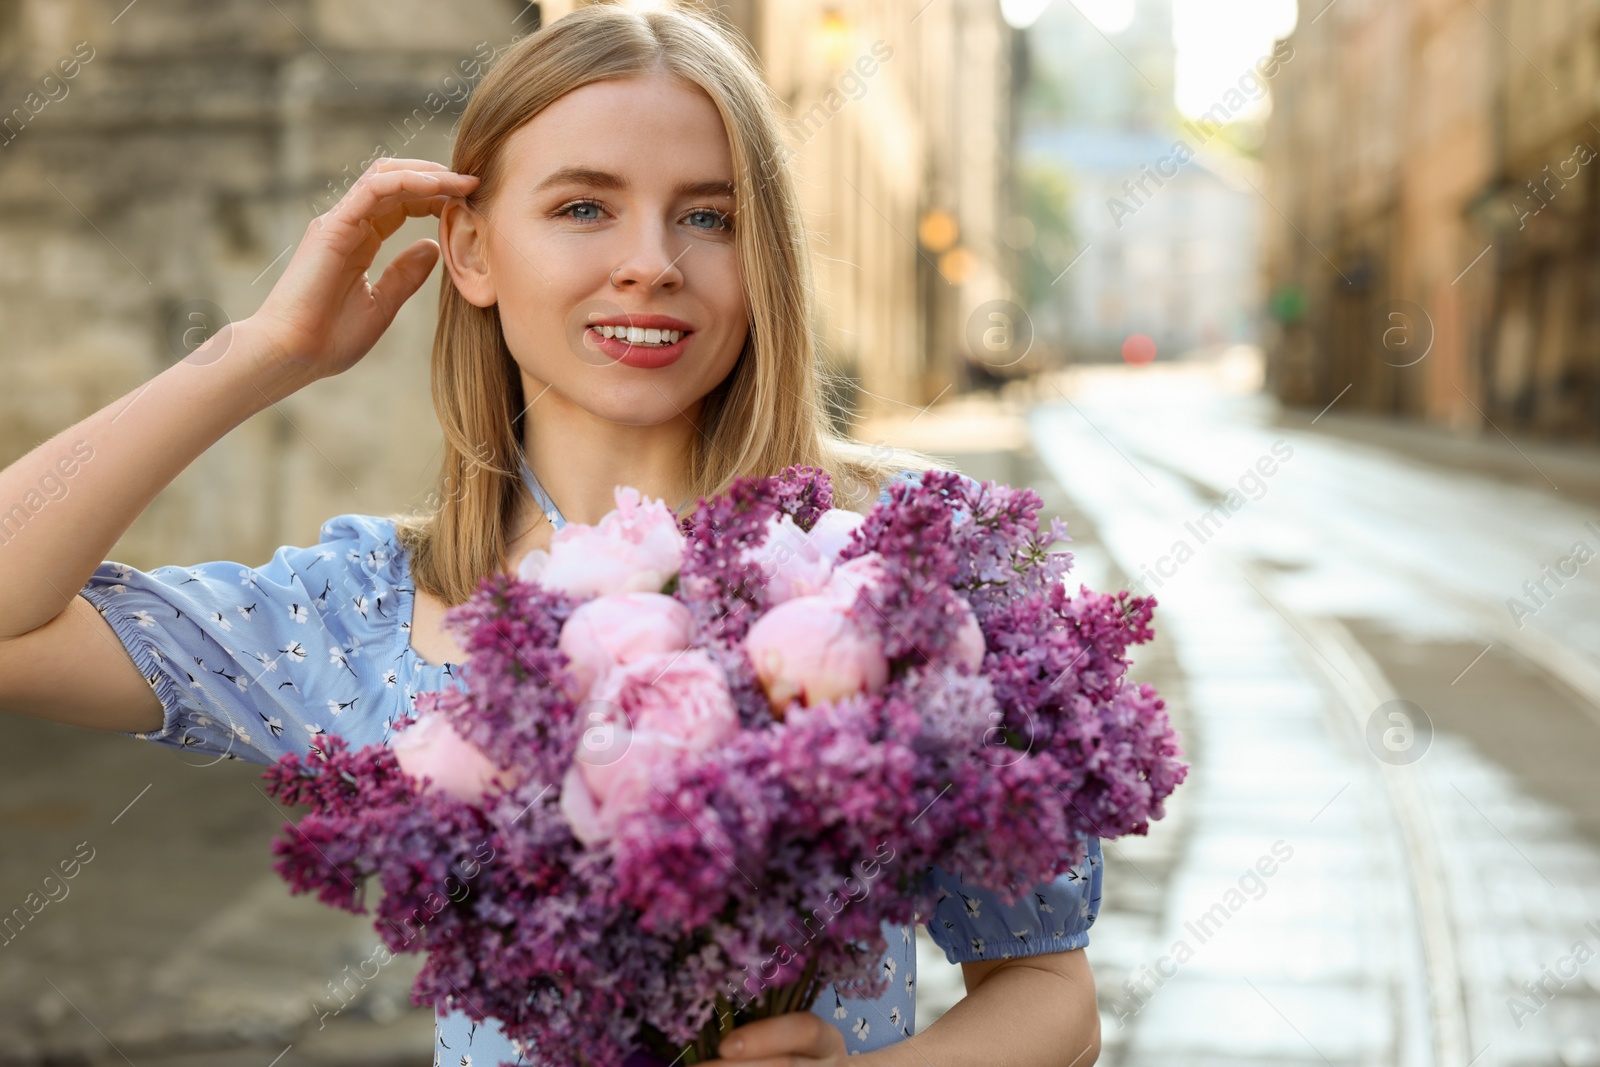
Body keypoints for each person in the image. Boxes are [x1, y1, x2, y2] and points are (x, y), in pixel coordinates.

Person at [0, 4, 1102, 1064]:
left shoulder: (911, 561)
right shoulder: (368, 610)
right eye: (584, 206)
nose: (651, 260)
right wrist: (261, 350)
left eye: (709, 215)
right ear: (471, 252)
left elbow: (1048, 988)